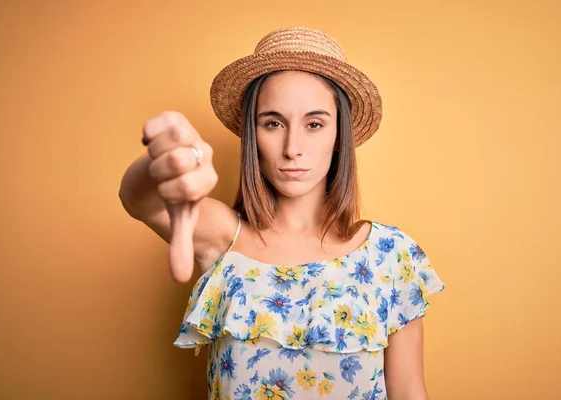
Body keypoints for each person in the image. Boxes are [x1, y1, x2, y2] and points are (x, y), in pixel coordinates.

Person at [119, 26, 445, 400]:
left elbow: (409, 392)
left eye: (315, 124)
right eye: (273, 123)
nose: (293, 148)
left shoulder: (391, 254)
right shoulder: (224, 238)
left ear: (340, 138)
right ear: (252, 133)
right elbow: (139, 200)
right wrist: (165, 162)